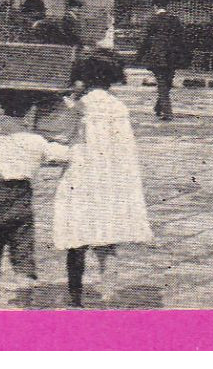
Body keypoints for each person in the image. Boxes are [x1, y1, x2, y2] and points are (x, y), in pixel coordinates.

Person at [53, 50, 153, 308]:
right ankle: (109, 293)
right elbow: (125, 149)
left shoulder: (80, 106)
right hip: (109, 179)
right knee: (107, 239)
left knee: (76, 240)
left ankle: (75, 296)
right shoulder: (118, 106)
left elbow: (63, 137)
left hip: (82, 176)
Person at [0, 81, 70, 309]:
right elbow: (66, 155)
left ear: (0, 103)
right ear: (29, 109)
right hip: (20, 196)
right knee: (22, 248)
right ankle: (25, 302)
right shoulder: (36, 141)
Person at [135, 0, 188, 121]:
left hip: (157, 56)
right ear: (167, 6)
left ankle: (166, 111)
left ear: (155, 7)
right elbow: (182, 39)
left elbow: (145, 40)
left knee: (162, 83)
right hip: (172, 57)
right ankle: (162, 107)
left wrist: (139, 55)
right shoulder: (175, 20)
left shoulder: (151, 20)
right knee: (167, 82)